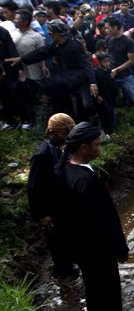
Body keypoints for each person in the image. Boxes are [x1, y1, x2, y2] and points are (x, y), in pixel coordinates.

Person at [56, 122, 134, 311]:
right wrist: (120, 248)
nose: (100, 149)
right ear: (84, 147)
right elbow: (104, 220)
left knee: (94, 288)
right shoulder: (84, 180)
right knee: (107, 289)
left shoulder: (65, 171)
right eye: (97, 145)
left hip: (81, 246)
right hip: (97, 248)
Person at [27, 114, 78, 278]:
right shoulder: (41, 156)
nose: (67, 138)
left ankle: (69, 267)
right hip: (50, 209)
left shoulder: (59, 150)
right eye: (64, 135)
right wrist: (41, 215)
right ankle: (63, 275)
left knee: (66, 238)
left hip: (61, 204)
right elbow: (33, 188)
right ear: (51, 133)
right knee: (57, 244)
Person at [104, 17, 134, 121]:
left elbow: (131, 61)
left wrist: (117, 70)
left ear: (115, 27)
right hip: (111, 73)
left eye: (108, 28)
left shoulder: (128, 41)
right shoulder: (108, 39)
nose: (106, 30)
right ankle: (114, 119)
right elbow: (107, 55)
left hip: (125, 74)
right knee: (110, 97)